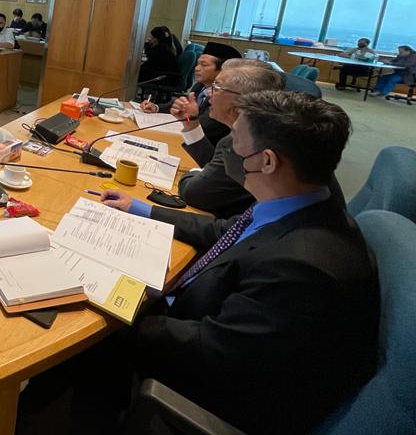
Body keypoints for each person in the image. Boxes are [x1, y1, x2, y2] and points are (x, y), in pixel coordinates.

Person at [98, 91, 378, 435]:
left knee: (84, 342)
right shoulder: (303, 202)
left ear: (268, 161)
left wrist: (124, 312)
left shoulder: (303, 269)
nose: (226, 146)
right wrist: (142, 208)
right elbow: (223, 230)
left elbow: (212, 349)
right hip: (203, 319)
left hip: (206, 389)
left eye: (235, 140)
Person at [171, 58, 348, 219]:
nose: (208, 93)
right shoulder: (260, 133)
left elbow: (198, 193)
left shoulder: (257, 143)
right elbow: (219, 169)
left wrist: (193, 173)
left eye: (217, 87)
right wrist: (191, 123)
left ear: (240, 101)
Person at [142, 40, 242, 146]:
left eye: (204, 65)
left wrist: (187, 118)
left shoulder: (224, 98)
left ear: (222, 71)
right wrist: (157, 107)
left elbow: (200, 126)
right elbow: (184, 103)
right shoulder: (200, 86)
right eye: (198, 64)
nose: (197, 68)